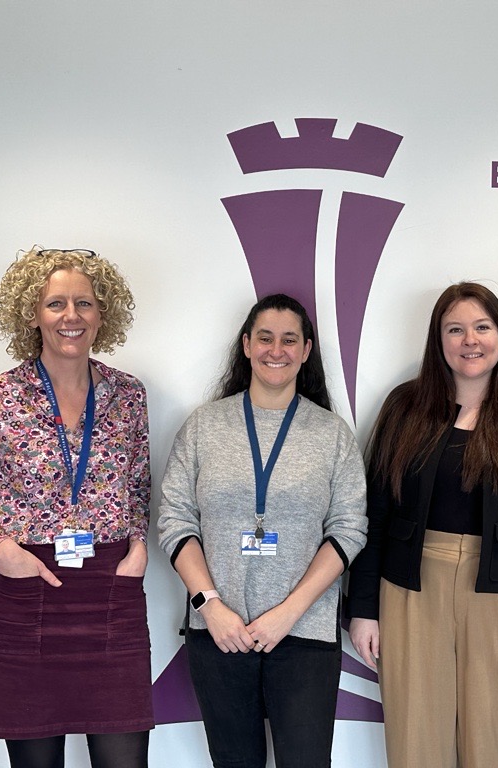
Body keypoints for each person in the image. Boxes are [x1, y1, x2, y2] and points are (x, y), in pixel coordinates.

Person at [0, 247, 153, 768]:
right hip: (23, 588)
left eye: (84, 302)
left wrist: (139, 544)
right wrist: (1, 550)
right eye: (55, 303)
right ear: (32, 315)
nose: (71, 316)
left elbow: (139, 487)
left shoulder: (128, 395)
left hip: (109, 589)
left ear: (104, 313)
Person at [347, 282, 498, 768]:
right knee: (415, 744)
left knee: (494, 744)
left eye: (482, 327)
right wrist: (362, 607)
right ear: (438, 340)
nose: (470, 340)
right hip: (410, 589)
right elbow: (376, 515)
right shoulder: (405, 406)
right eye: (455, 329)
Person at [156, 294, 367, 768]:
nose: (277, 350)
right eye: (266, 338)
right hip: (218, 631)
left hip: (305, 633)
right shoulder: (204, 426)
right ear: (247, 345)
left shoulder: (332, 434)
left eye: (289, 339)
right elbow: (175, 519)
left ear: (306, 349)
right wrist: (209, 605)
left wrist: (287, 613)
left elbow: (350, 529)